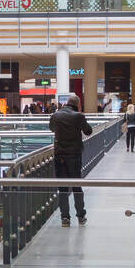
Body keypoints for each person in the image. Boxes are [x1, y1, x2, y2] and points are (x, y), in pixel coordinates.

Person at [49, 93, 92, 227]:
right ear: (78, 105)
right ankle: (81, 216)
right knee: (76, 186)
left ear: (67, 103)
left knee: (62, 188)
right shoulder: (78, 116)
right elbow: (88, 131)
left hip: (59, 155)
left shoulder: (56, 115)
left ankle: (65, 218)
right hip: (74, 155)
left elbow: (51, 128)